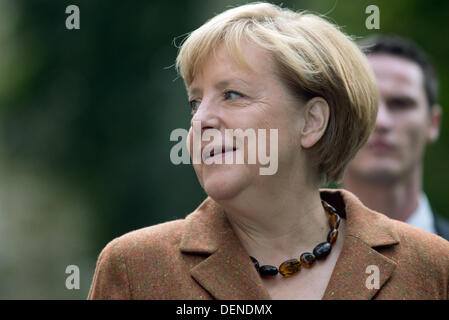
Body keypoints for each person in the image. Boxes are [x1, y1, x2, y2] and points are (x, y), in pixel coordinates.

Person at [88, 3, 449, 300]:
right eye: (195, 102)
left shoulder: (431, 266)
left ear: (311, 122)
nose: (201, 121)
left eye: (232, 94)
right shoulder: (134, 268)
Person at [343, 35, 449, 241]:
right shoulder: (285, 260)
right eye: (365, 103)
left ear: (433, 122)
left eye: (401, 103)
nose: (381, 122)